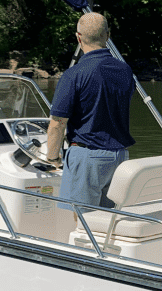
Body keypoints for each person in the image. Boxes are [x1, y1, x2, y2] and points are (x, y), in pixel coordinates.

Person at [43, 12, 136, 209]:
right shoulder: (125, 71)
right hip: (119, 157)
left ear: (78, 38)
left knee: (84, 222)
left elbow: (57, 124)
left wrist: (53, 157)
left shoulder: (74, 74)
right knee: (107, 219)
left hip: (88, 157)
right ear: (107, 36)